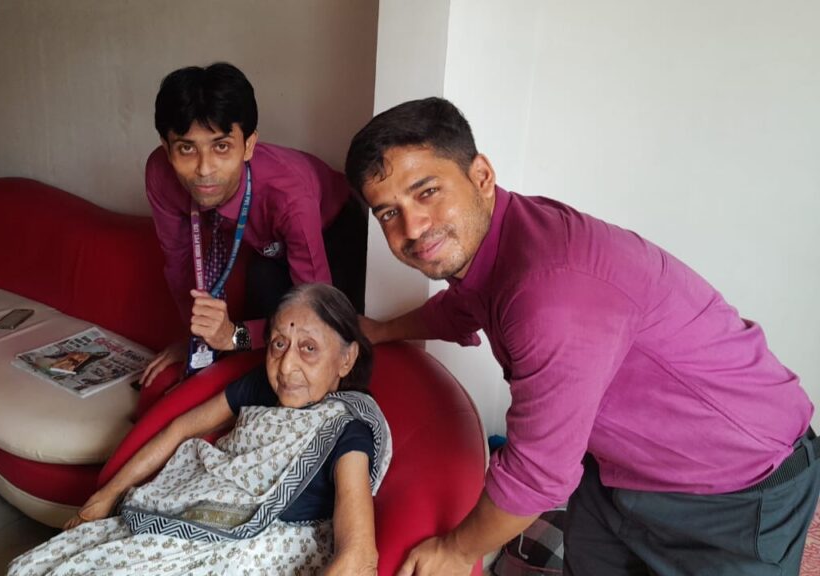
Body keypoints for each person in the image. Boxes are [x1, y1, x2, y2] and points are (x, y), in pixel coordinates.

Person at [346, 97, 818, 576]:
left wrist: (454, 550)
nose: (412, 227)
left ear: (481, 176)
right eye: (388, 213)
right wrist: (380, 331)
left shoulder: (549, 292)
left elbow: (536, 475)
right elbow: (461, 309)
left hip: (737, 482)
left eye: (426, 191)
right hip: (617, 464)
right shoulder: (498, 239)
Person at [8, 284, 391, 576]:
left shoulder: (345, 431)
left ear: (346, 358)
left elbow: (359, 554)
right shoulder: (263, 385)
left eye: (309, 348)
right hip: (189, 515)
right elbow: (179, 430)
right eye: (278, 344)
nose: (287, 365)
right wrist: (105, 497)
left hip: (255, 550)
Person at [139, 62, 366, 387]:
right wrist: (196, 339)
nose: (204, 170)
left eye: (221, 147)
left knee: (325, 342)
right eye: (187, 148)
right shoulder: (160, 174)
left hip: (335, 228)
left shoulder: (289, 195)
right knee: (263, 302)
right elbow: (180, 265)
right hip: (266, 242)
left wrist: (234, 336)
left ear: (248, 145)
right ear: (166, 147)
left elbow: (318, 308)